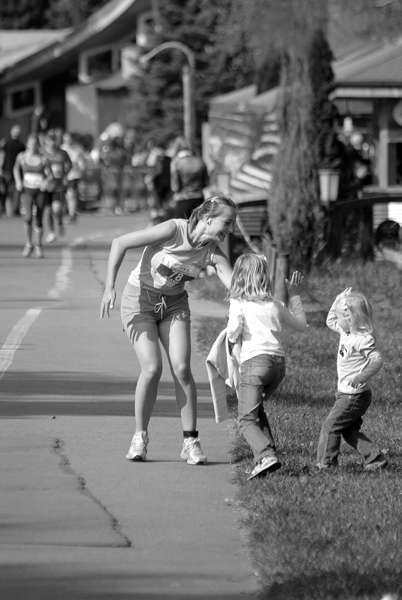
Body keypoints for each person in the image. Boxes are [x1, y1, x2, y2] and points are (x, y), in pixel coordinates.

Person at [100, 195, 237, 464]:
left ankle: (190, 442)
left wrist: (262, 300)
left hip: (174, 304)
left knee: (182, 369)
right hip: (139, 300)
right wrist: (109, 287)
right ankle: (140, 437)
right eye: (227, 222)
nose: (229, 230)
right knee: (152, 368)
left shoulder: (211, 250)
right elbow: (120, 243)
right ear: (208, 219)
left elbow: (234, 284)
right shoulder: (174, 230)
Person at [226, 254, 307, 480]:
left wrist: (231, 342)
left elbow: (233, 329)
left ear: (238, 277)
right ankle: (268, 455)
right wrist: (296, 295)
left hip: (254, 365)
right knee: (256, 410)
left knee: (245, 420)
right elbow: (301, 325)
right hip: (278, 367)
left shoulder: (238, 302)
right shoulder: (276, 305)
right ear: (265, 276)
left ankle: (264, 455)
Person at [316, 288, 387, 471]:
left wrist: (363, 375)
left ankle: (326, 465)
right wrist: (337, 300)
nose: (335, 320)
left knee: (330, 426)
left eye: (340, 315)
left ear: (350, 319)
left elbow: (377, 359)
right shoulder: (345, 331)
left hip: (354, 396)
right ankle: (374, 458)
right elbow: (330, 320)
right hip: (347, 394)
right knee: (348, 430)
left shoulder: (361, 339)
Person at [13, 134, 53, 258]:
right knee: (28, 217)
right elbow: (15, 169)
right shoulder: (21, 157)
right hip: (27, 191)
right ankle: (29, 244)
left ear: (38, 145)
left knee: (39, 218)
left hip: (40, 191)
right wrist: (18, 181)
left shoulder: (43, 158)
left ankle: (38, 245)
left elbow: (51, 175)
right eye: (31, 144)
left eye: (35, 144)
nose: (33, 147)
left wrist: (45, 182)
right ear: (27, 144)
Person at [41, 130, 72, 243]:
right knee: (47, 211)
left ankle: (59, 221)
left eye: (54, 139)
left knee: (57, 209)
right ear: (46, 141)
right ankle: (51, 232)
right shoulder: (42, 153)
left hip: (58, 186)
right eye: (49, 139)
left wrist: (65, 175)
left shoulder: (62, 153)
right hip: (45, 186)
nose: (52, 142)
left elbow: (69, 164)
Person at [168, 136, 209, 219]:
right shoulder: (200, 161)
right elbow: (206, 183)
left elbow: (175, 187)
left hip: (183, 199)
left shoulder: (176, 163)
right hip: (199, 199)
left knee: (182, 229)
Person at [0, 125, 26, 217]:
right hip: (17, 170)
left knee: (5, 190)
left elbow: (2, 156)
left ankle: (5, 210)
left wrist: (0, 167)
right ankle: (14, 210)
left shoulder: (6, 142)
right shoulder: (22, 144)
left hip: (7, 169)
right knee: (17, 190)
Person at [61, 132, 86, 223]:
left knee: (71, 194)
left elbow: (82, 163)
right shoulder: (61, 149)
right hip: (62, 176)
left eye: (69, 138)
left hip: (73, 175)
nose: (67, 141)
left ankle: (71, 215)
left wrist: (81, 170)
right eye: (65, 139)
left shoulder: (77, 149)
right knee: (65, 195)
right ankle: (67, 211)